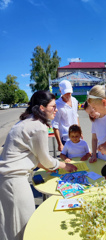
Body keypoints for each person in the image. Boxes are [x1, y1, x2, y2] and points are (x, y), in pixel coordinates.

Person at [0, 91, 77, 240]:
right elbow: (46, 160)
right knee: (23, 227)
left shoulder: (26, 121)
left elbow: (33, 156)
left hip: (6, 180)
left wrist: (48, 165)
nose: (56, 109)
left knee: (9, 225)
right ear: (42, 108)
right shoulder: (38, 126)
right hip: (14, 182)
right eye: (53, 106)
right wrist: (64, 166)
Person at [52, 80, 80, 152]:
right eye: (65, 93)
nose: (68, 95)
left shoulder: (74, 101)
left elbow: (76, 116)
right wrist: (60, 144)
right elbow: (55, 125)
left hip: (77, 135)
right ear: (60, 91)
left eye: (69, 93)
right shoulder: (57, 105)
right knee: (68, 161)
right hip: (66, 138)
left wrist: (80, 131)